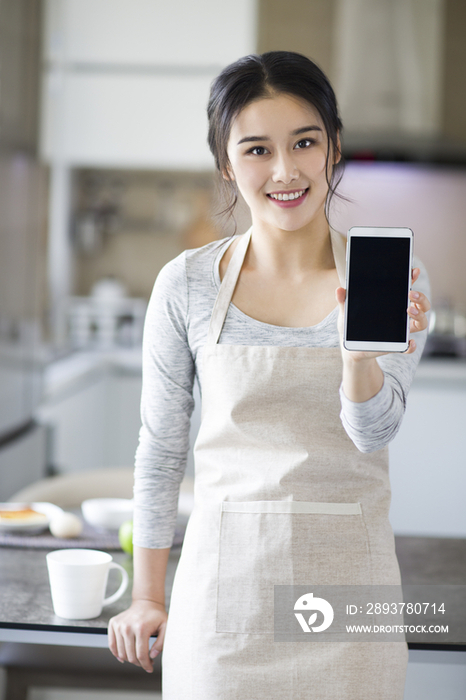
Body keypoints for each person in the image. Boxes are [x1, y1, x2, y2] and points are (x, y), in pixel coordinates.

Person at [108, 51, 430, 699]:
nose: (285, 171)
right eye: (256, 150)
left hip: (349, 599)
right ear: (227, 164)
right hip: (226, 600)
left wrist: (357, 356)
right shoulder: (190, 285)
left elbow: (373, 433)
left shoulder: (390, 277)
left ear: (333, 148)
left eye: (305, 142)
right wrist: (147, 595)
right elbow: (162, 451)